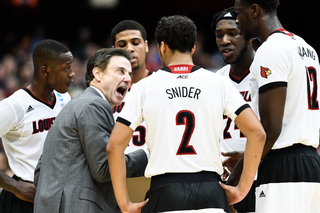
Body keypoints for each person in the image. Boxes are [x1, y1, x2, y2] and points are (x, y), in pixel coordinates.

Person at [107, 15, 266, 213]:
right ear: (193, 48)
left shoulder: (144, 88)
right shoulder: (218, 82)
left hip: (165, 191)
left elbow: (114, 147)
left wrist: (125, 203)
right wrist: (242, 189)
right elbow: (258, 133)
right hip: (211, 190)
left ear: (162, 47)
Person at [230, 0, 320, 212]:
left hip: (283, 169)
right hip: (311, 166)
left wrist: (236, 181)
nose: (236, 19)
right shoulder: (307, 48)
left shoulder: (270, 49)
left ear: (254, 10)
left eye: (238, 12)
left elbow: (270, 129)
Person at [33, 48, 149, 213]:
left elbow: (39, 174)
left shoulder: (76, 105)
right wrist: (146, 154)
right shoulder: (94, 104)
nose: (128, 78)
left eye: (130, 74)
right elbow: (103, 170)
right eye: (120, 71)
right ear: (98, 74)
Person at [0, 39, 74, 213]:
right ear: (45, 71)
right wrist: (14, 186)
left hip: (59, 195)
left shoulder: (65, 99)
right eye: (66, 68)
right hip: (24, 197)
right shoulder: (14, 105)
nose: (72, 74)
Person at [212, 7, 256, 213]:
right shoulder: (214, 81)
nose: (225, 41)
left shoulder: (267, 75)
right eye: (219, 35)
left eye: (233, 33)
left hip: (260, 176)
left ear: (247, 35)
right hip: (224, 181)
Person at [111, 20, 153, 153]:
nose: (130, 48)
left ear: (146, 46)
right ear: (114, 51)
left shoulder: (163, 83)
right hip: (120, 170)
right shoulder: (104, 91)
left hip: (156, 170)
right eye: (122, 45)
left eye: (135, 43)